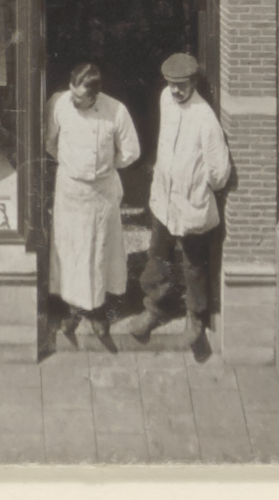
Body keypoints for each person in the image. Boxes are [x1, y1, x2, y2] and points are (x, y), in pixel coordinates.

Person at [124, 50, 233, 357]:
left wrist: (195, 185)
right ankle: (155, 308)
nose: (175, 90)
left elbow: (220, 173)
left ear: (193, 83)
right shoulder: (165, 99)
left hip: (191, 203)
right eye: (171, 83)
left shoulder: (205, 118)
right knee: (157, 256)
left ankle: (195, 318)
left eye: (182, 85)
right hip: (164, 198)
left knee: (193, 263)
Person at [45, 61, 141, 350]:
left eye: (80, 97)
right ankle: (70, 310)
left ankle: (98, 311)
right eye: (72, 93)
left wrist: (106, 167)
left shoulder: (116, 111)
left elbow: (131, 152)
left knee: (98, 251)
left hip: (100, 192)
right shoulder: (58, 104)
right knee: (70, 250)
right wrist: (71, 165)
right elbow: (50, 142)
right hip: (70, 190)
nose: (73, 100)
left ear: (95, 95)